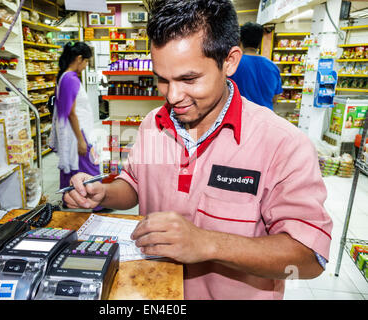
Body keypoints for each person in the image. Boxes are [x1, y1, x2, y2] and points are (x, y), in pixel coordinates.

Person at [63, 0, 332, 300]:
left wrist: (206, 243)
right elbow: (135, 184)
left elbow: (309, 257)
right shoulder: (154, 124)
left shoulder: (283, 144)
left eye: (189, 79)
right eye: (162, 80)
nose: (173, 96)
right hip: (154, 294)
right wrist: (103, 192)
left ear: (229, 61)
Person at [49, 42, 100, 207]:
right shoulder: (70, 79)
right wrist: (81, 140)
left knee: (70, 169)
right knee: (90, 167)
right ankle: (98, 202)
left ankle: (67, 198)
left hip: (70, 132)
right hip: (77, 132)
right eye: (86, 62)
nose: (85, 66)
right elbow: (71, 112)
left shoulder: (63, 76)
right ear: (79, 59)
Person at [229, 22, 283, 110]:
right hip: (266, 119)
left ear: (240, 41)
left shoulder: (233, 63)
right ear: (259, 43)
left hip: (240, 117)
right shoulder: (273, 67)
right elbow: (275, 98)